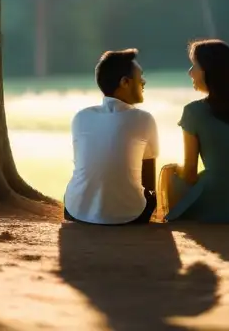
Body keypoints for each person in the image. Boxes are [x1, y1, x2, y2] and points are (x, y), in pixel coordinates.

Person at [160, 39, 229, 223]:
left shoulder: (193, 112)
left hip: (216, 202)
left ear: (210, 71)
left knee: (168, 175)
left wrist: (173, 174)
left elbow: (190, 172)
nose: (190, 72)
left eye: (194, 66)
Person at [63, 48, 160, 225]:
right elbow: (148, 177)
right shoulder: (144, 119)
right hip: (131, 216)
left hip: (77, 211)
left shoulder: (81, 117)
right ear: (125, 82)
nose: (144, 82)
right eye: (140, 78)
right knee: (151, 194)